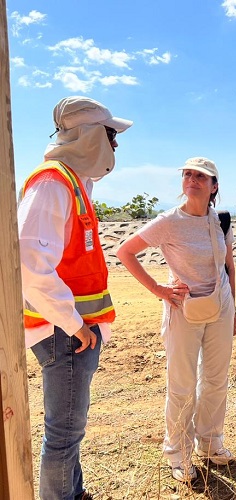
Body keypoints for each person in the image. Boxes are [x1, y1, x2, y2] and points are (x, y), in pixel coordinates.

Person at [18, 96, 132, 500]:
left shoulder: (72, 182)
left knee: (70, 429)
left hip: (73, 331)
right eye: (111, 134)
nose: (115, 145)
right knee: (64, 434)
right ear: (89, 136)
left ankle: (74, 493)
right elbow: (31, 264)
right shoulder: (52, 182)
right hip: (65, 333)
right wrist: (74, 323)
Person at [116, 157, 236, 483]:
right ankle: (179, 454)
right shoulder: (169, 221)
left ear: (214, 186)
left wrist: (234, 308)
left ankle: (211, 443)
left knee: (216, 379)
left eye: (201, 176)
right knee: (182, 386)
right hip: (182, 309)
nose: (192, 179)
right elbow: (125, 251)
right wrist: (158, 288)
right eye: (187, 174)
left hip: (221, 307)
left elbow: (229, 267)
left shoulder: (222, 220)